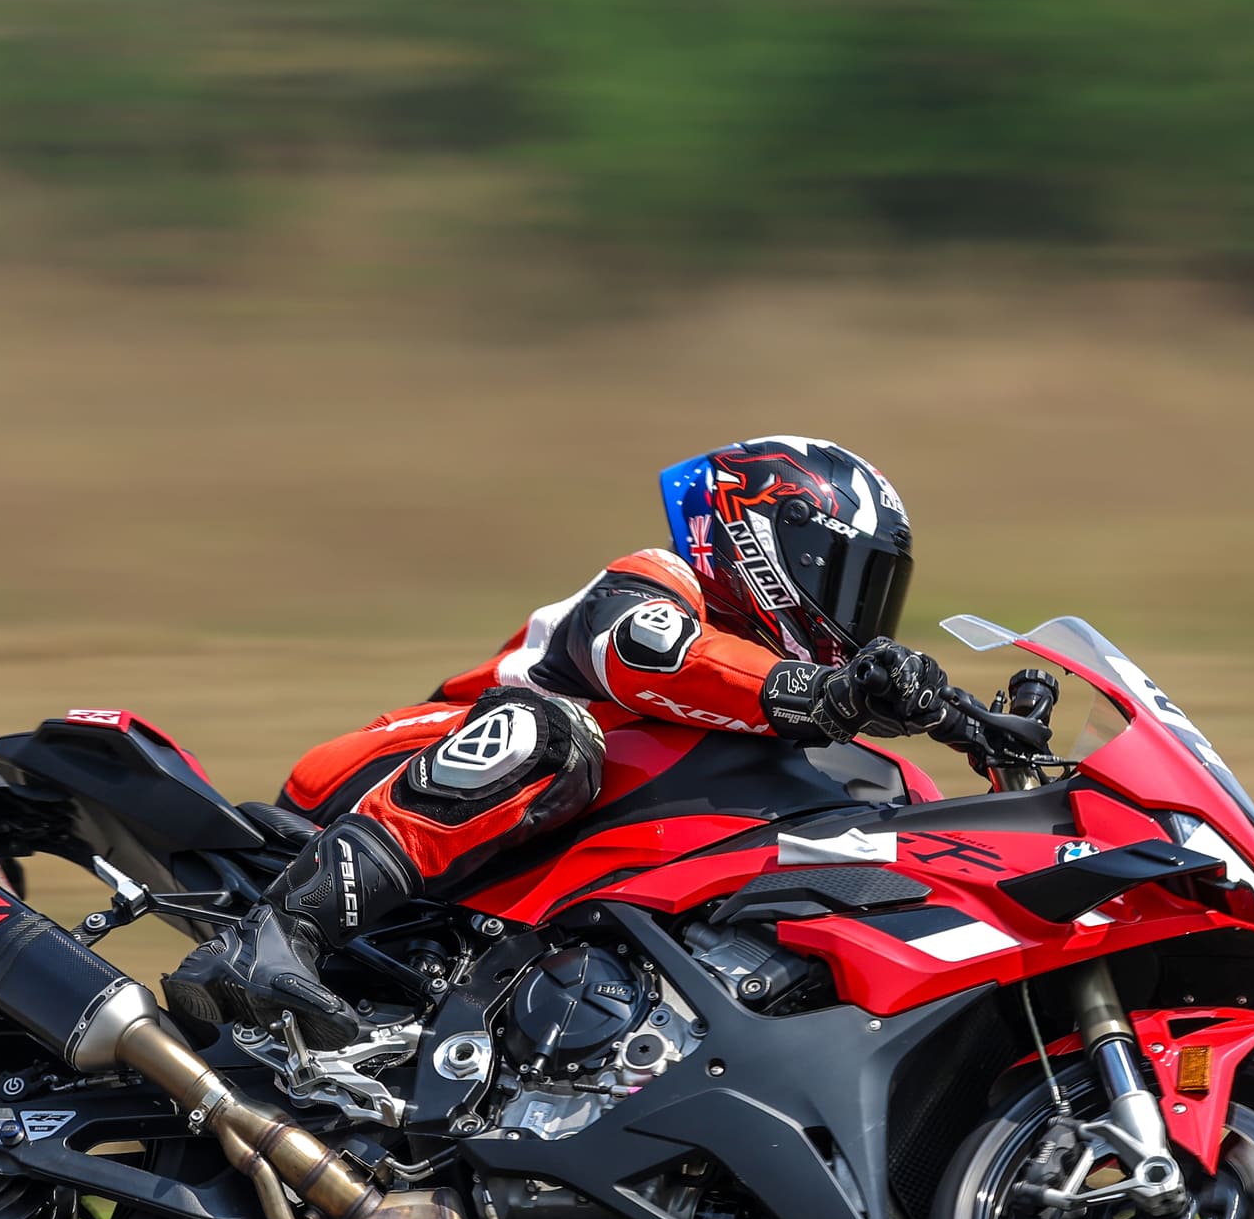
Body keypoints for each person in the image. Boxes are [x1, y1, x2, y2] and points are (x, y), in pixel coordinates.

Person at [167, 438, 950, 1035]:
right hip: (385, 781)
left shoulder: (800, 729)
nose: (861, 613)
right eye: (849, 577)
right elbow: (646, 654)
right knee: (549, 734)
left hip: (517, 862)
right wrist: (821, 690)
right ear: (765, 544)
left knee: (890, 804)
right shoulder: (659, 584)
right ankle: (279, 933)